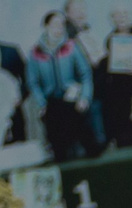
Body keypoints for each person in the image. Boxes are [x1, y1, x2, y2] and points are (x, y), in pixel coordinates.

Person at [25, 10, 96, 163]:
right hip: (51, 105)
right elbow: (33, 82)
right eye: (55, 25)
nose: (59, 29)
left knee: (89, 146)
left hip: (73, 101)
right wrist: (41, 103)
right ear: (45, 27)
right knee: (59, 151)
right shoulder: (35, 53)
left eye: (62, 25)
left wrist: (84, 97)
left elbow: (86, 74)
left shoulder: (72, 47)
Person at [93, 7, 132, 153]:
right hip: (120, 96)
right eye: (117, 16)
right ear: (112, 20)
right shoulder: (110, 39)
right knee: (125, 134)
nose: (121, 18)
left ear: (130, 16)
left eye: (124, 15)